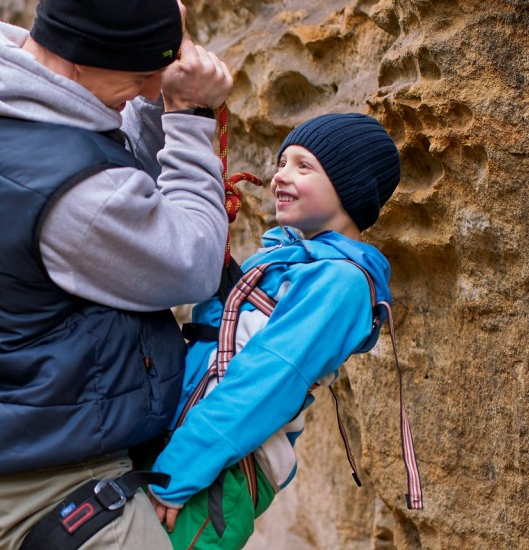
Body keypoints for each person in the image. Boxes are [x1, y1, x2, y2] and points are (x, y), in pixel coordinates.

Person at [0, 0, 234, 547]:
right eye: (141, 76)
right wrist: (190, 118)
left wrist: (146, 31)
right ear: (82, 59)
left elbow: (96, 146)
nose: (154, 89)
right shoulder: (71, 194)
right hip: (57, 490)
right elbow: (193, 260)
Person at [147, 113, 420, 549]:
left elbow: (266, 382)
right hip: (184, 447)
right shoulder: (284, 259)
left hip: (217, 469)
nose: (279, 176)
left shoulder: (341, 283)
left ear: (350, 188)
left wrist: (176, 474)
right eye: (281, 163)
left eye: (303, 166)